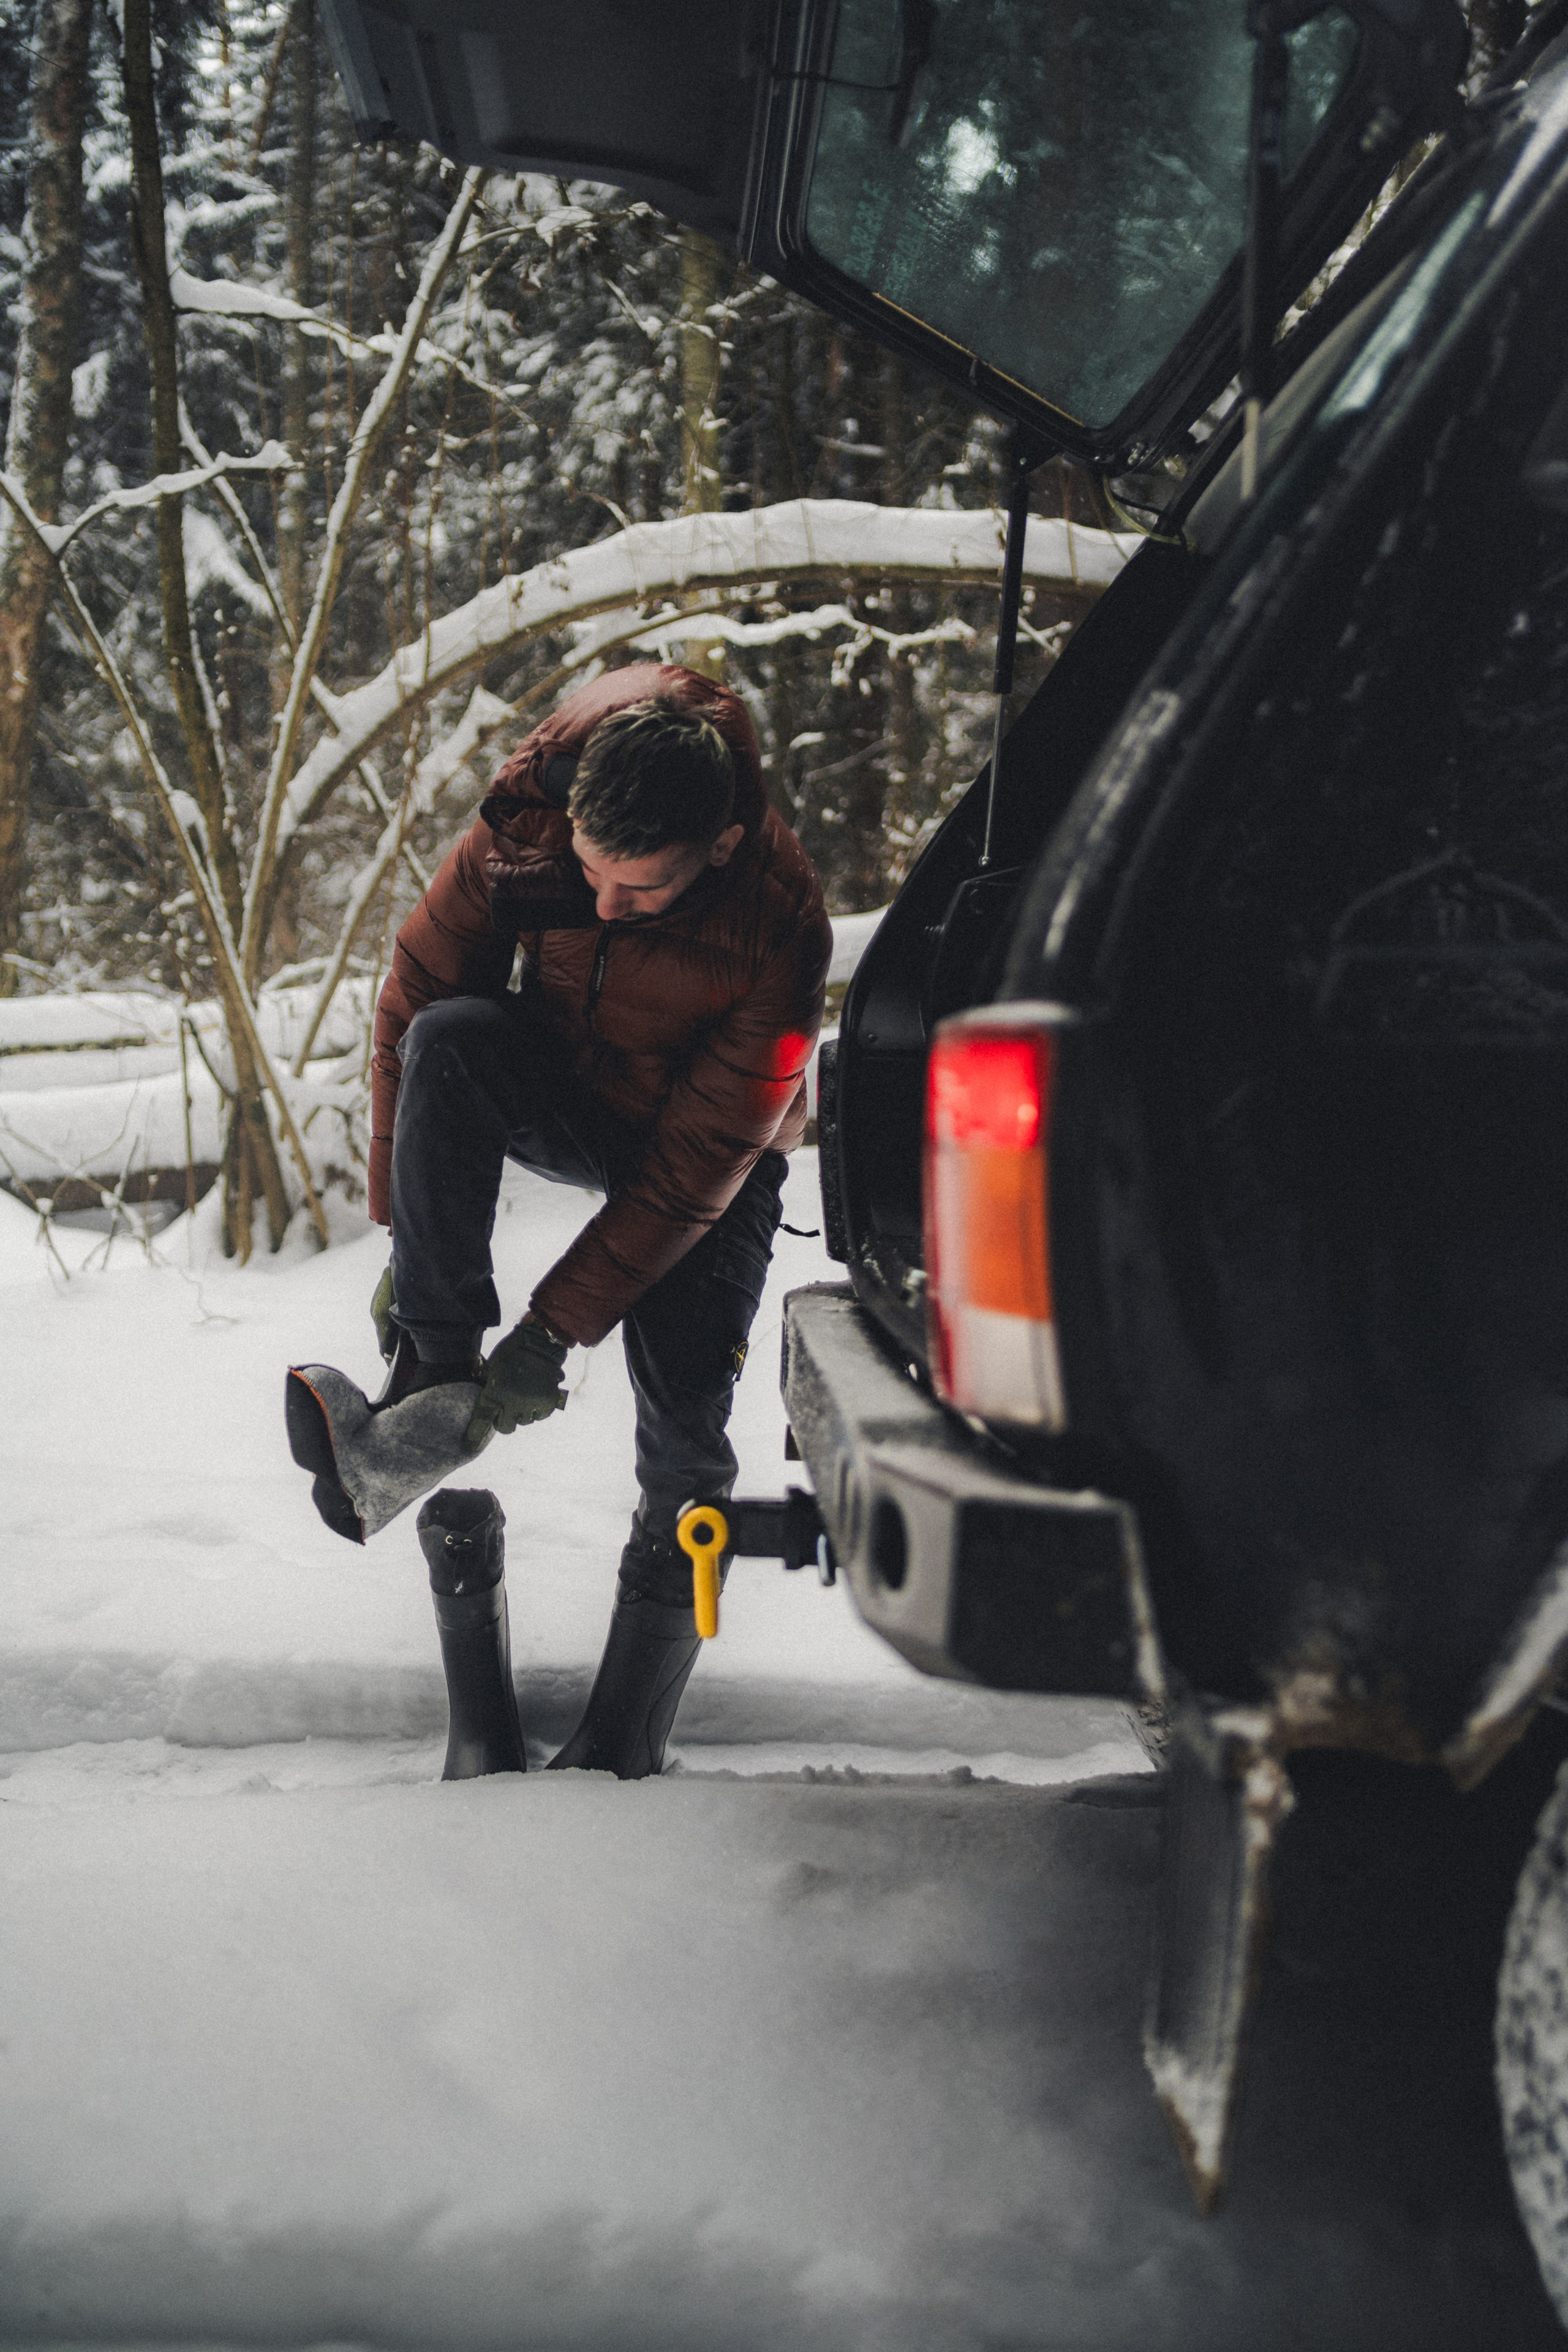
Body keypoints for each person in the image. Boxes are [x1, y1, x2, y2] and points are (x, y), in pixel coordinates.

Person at [367, 663, 831, 1777]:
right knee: (451, 1039)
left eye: (640, 892)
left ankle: (623, 1740)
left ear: (718, 848)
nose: (604, 905)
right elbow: (414, 1001)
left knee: (684, 1442)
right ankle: (432, 1369)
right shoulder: (527, 835)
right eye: (591, 876)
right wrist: (409, 1234)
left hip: (712, 1162)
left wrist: (551, 1334)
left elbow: (684, 1179)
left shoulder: (782, 932)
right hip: (573, 1091)